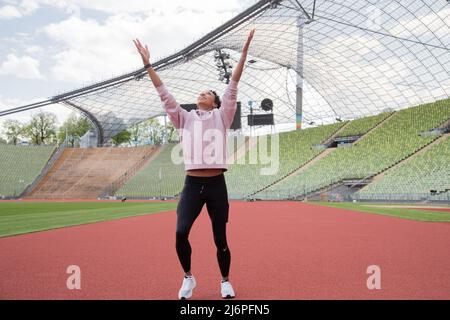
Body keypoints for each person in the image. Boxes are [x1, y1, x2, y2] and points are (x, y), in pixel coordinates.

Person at [133, 29, 255, 300]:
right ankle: (188, 277)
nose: (202, 93)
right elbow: (163, 93)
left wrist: (244, 52)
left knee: (220, 238)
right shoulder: (184, 118)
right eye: (201, 92)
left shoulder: (223, 116)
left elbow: (233, 83)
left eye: (208, 92)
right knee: (180, 232)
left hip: (215, 184)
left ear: (215, 102)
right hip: (192, 184)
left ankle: (225, 281)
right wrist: (148, 65)